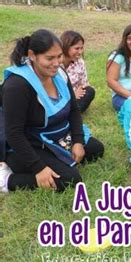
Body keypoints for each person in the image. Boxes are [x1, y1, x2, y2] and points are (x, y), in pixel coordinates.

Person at [0, 29, 104, 193]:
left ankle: (56, 157)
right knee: (69, 180)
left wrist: (77, 140)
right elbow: (14, 134)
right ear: (32, 55)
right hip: (26, 143)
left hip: (54, 134)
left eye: (59, 56)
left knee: (95, 150)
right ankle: (7, 179)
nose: (56, 63)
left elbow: (74, 111)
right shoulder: (17, 86)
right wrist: (39, 168)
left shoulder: (60, 74)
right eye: (49, 58)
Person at [60, 30, 95, 113]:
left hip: (76, 97)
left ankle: (70, 113)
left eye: (81, 48)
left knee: (90, 91)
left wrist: (78, 93)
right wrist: (72, 96)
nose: (80, 52)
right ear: (66, 47)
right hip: (60, 98)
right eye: (76, 48)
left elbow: (84, 84)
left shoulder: (80, 62)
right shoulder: (55, 64)